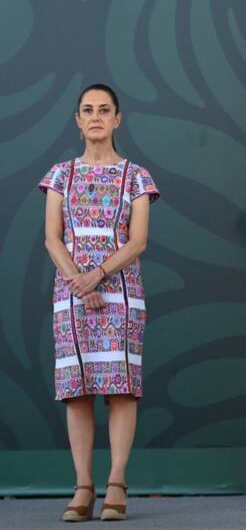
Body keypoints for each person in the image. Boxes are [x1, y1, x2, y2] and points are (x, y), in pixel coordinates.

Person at [38, 83, 159, 522]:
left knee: (122, 388)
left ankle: (117, 483)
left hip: (122, 294)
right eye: (88, 110)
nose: (96, 116)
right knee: (78, 391)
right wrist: (78, 282)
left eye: (104, 110)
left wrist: (99, 276)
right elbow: (53, 236)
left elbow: (138, 240)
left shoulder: (137, 177)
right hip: (71, 297)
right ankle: (83, 486)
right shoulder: (59, 175)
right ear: (77, 120)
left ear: (117, 119)